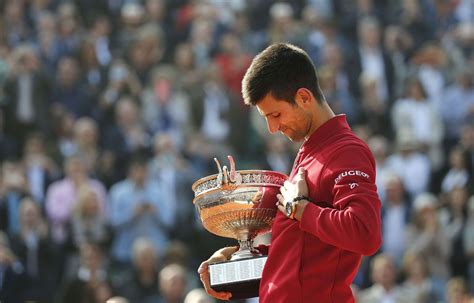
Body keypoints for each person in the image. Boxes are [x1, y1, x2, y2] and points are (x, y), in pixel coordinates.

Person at [197, 43, 382, 302]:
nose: (272, 128)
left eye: (276, 114)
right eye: (266, 118)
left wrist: (301, 210)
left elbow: (366, 233)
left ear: (304, 98)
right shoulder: (310, 153)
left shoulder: (347, 151)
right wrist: (237, 259)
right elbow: (302, 256)